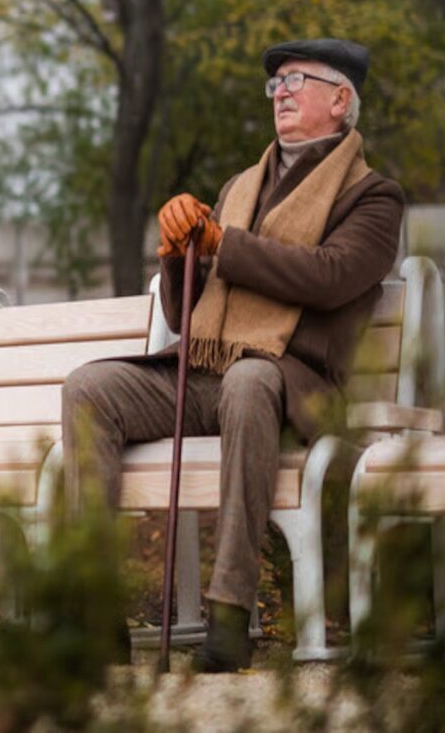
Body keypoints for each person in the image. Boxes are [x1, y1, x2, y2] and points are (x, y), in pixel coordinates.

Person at [61, 37, 404, 672]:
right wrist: (177, 249)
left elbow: (330, 277)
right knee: (89, 388)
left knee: (249, 379)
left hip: (291, 384)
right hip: (206, 373)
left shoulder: (373, 197)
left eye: (297, 80)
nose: (281, 92)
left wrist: (225, 241)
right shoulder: (240, 187)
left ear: (340, 99)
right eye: (276, 83)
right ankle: (92, 611)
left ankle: (228, 614)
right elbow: (181, 315)